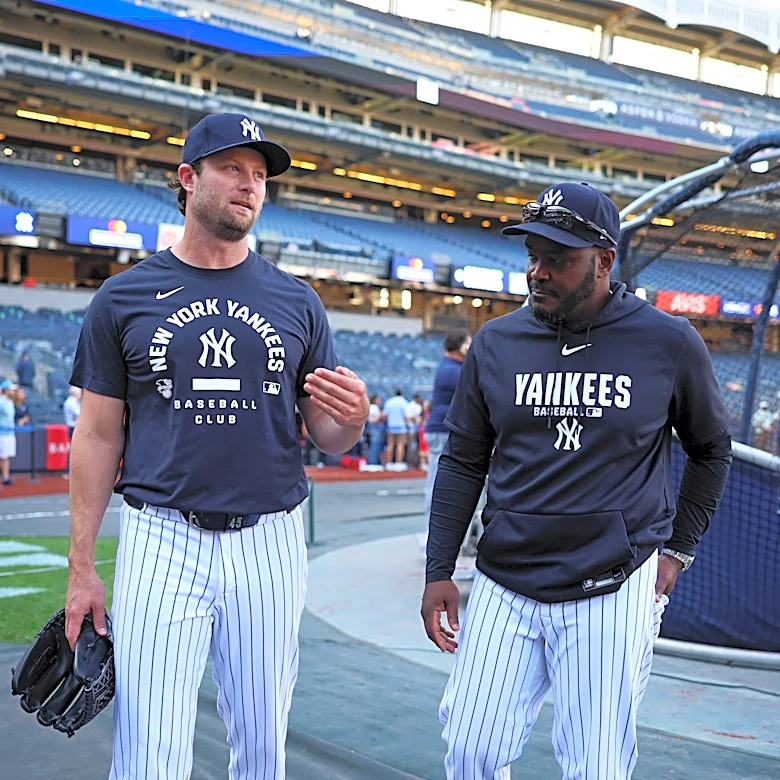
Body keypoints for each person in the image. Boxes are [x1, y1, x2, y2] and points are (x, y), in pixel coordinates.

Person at [64, 112, 369, 780]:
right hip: (161, 537)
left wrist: (353, 419)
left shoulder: (298, 301)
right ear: (187, 178)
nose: (250, 184)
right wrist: (82, 567)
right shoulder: (123, 297)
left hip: (269, 538)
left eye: (260, 175)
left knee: (262, 746)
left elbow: (328, 436)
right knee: (149, 749)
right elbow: (95, 435)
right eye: (233, 167)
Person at [421, 182, 733, 780]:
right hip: (504, 581)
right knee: (471, 751)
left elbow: (711, 451)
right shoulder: (495, 342)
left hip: (611, 584)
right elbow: (463, 461)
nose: (539, 273)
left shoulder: (669, 341)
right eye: (533, 256)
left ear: (605, 260)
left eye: (559, 260)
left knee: (594, 765)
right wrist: (439, 569)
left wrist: (680, 550)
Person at [423, 328, 471, 518]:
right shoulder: (453, 370)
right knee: (438, 482)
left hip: (442, 429)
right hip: (443, 430)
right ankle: (432, 530)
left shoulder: (450, 367)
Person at [383, 389, 408, 470]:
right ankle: (398, 463)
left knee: (390, 445)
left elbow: (384, 415)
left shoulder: (389, 402)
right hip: (401, 428)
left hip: (391, 427)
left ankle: (388, 463)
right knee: (400, 445)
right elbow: (406, 416)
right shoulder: (404, 402)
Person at [0, 380, 17, 486]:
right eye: (11, 389)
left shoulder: (10, 402)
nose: (13, 391)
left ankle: (6, 477)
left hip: (10, 433)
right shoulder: (1, 401)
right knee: (3, 456)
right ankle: (5, 477)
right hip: (2, 433)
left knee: (7, 456)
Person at [405, 393, 424, 467]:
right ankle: (411, 461)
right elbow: (408, 417)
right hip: (412, 428)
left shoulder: (419, 406)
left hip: (418, 428)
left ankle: (416, 461)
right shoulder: (410, 405)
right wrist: (415, 419)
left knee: (418, 445)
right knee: (411, 445)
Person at [366, 394, 385, 466]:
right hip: (375, 427)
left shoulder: (370, 407)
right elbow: (375, 418)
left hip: (372, 427)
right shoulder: (374, 407)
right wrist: (381, 416)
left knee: (374, 444)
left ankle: (373, 461)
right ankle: (373, 461)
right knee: (375, 445)